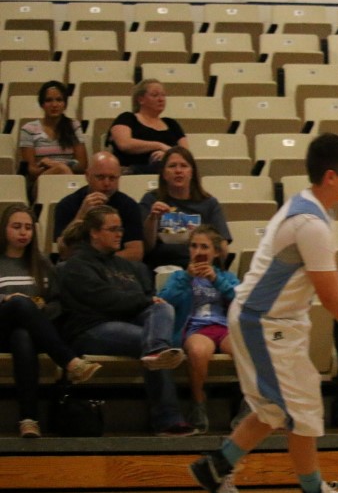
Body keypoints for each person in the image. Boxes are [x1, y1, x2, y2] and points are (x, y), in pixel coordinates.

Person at [190, 133, 338, 493]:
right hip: (263, 323)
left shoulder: (313, 210)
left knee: (276, 409)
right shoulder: (310, 223)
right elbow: (331, 297)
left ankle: (217, 466)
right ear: (331, 176)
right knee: (301, 409)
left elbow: (334, 286)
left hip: (275, 321)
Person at [55, 205, 195, 437]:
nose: (120, 234)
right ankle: (167, 419)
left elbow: (145, 298)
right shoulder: (76, 265)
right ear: (94, 233)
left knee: (163, 308)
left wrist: (148, 302)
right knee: (150, 339)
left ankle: (157, 352)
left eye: (120, 229)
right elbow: (105, 301)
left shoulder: (129, 266)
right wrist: (144, 302)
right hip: (91, 329)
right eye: (112, 229)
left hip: (129, 322)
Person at [0, 204, 101, 438]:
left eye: (28, 227)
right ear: (4, 229)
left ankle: (29, 420)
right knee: (19, 303)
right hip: (1, 328)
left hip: (34, 333)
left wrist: (42, 308)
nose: (23, 232)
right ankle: (70, 361)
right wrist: (6, 298)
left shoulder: (42, 263)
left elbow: (57, 302)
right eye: (17, 227)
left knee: (23, 336)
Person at [159, 225, 239, 434]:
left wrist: (217, 280)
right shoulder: (179, 276)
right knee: (198, 351)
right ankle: (198, 403)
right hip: (196, 328)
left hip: (224, 328)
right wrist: (187, 278)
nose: (198, 251)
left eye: (204, 247)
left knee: (246, 348)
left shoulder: (227, 277)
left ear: (215, 252)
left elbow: (242, 301)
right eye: (194, 246)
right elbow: (164, 301)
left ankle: (249, 405)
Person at [139, 146, 231, 271]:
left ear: (192, 173)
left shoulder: (209, 203)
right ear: (164, 174)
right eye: (172, 166)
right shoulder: (151, 199)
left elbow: (222, 246)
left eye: (184, 166)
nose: (178, 171)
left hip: (200, 267)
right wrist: (153, 218)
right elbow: (146, 247)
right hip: (160, 266)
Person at [53, 151, 146, 263]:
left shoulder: (129, 206)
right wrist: (81, 216)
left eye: (112, 178)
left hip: (115, 266)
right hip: (78, 267)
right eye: (100, 177)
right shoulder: (67, 204)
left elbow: (135, 253)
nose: (107, 183)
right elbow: (64, 252)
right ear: (87, 176)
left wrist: (98, 263)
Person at [19, 80, 88, 192]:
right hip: (41, 182)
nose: (54, 105)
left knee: (62, 169)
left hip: (70, 178)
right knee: (61, 169)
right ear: (42, 104)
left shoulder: (73, 126)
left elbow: (82, 165)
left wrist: (54, 164)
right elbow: (31, 171)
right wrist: (55, 169)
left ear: (65, 104)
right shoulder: (29, 129)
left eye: (59, 100)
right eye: (49, 100)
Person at [107, 79, 188, 174]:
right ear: (141, 99)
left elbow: (185, 153)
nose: (161, 99)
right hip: (132, 172)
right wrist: (159, 145)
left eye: (163, 95)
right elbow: (124, 144)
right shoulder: (127, 118)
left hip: (167, 173)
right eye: (155, 95)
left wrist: (167, 155)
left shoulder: (171, 123)